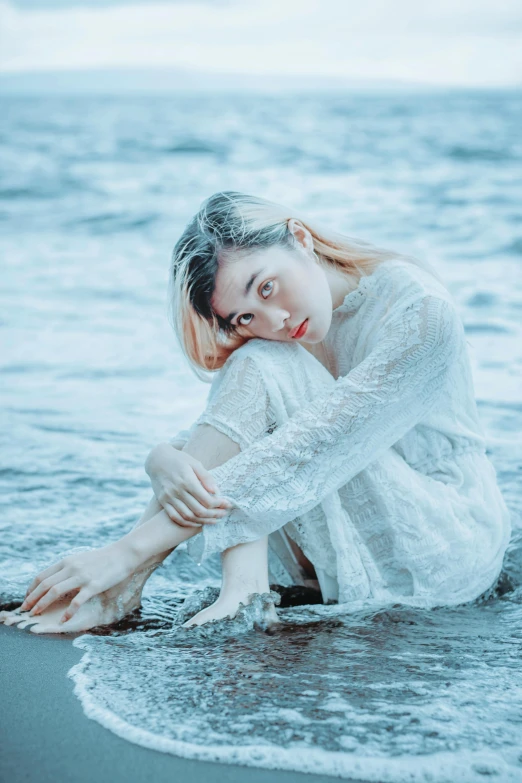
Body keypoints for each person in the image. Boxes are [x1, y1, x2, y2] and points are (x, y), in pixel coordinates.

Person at [1, 191, 512, 634]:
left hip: (447, 545)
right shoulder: (290, 334)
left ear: (300, 238)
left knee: (262, 364)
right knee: (260, 363)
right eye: (245, 316)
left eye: (266, 287)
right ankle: (222, 587)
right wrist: (162, 458)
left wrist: (127, 551)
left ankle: (133, 582)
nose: (274, 319)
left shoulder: (421, 313)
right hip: (356, 496)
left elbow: (309, 450)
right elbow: (252, 432)